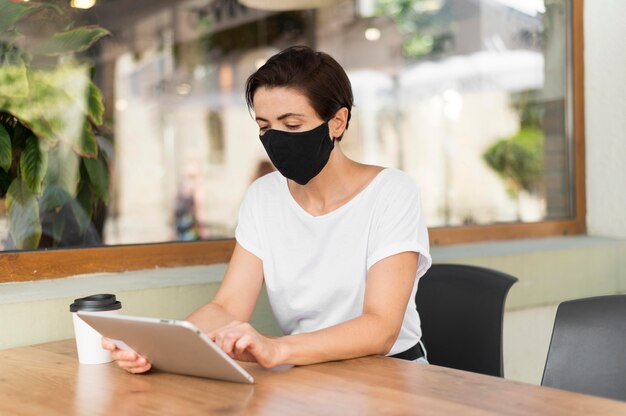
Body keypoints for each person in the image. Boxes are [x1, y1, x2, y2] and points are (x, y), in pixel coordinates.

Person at [103, 46, 431, 373]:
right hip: (308, 372)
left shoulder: (391, 193)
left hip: (390, 372)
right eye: (264, 126)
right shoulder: (263, 197)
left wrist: (277, 348)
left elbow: (381, 329)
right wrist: (160, 348)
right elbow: (228, 306)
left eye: (291, 125)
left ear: (337, 121)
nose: (276, 139)